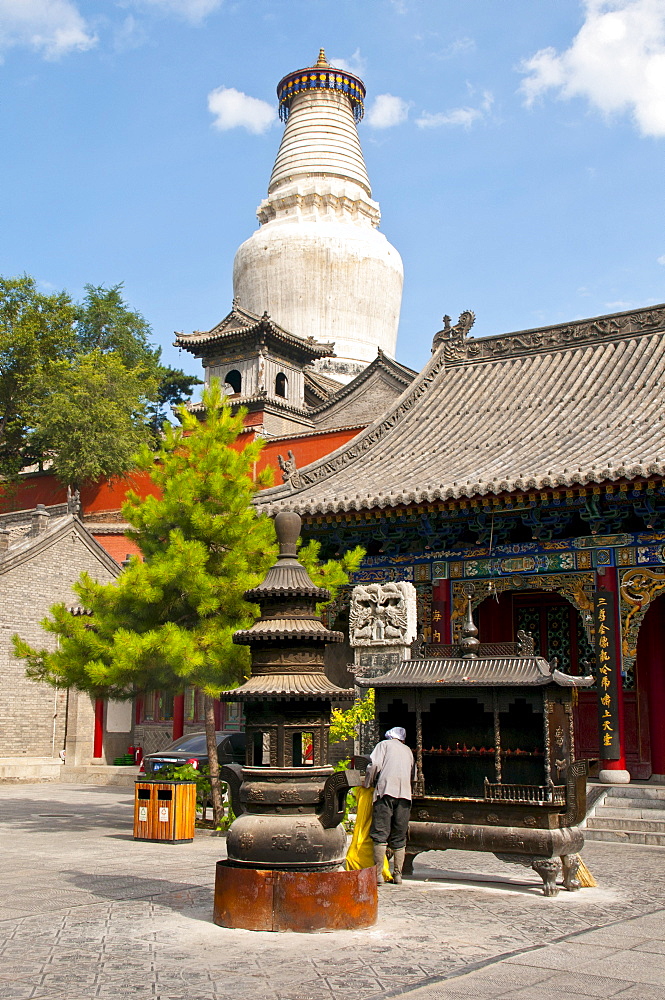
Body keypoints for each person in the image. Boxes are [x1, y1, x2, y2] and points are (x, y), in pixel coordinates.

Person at [365, 727, 415, 884]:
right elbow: (413, 773)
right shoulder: (408, 751)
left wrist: (368, 783)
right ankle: (398, 874)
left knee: (380, 833)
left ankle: (378, 875)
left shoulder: (383, 745)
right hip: (405, 795)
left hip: (385, 792)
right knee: (399, 836)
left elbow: (373, 765)